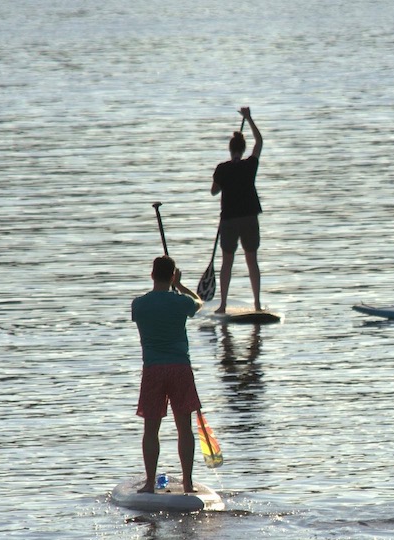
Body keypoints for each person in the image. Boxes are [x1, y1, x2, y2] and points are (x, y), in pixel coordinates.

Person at [131, 256, 204, 494]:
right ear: (173, 276)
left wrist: (171, 288)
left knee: (150, 430)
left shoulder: (139, 305)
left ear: (152, 275)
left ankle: (150, 483)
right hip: (180, 368)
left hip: (153, 370)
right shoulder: (180, 302)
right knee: (185, 428)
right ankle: (188, 483)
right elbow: (199, 303)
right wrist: (180, 287)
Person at [211, 106, 264, 313]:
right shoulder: (250, 165)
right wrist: (249, 118)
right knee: (252, 261)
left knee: (227, 263)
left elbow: (214, 192)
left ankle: (223, 305)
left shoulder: (222, 169)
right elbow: (259, 142)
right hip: (249, 218)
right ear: (242, 150)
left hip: (229, 220)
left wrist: (224, 181)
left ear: (230, 149)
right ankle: (257, 304)